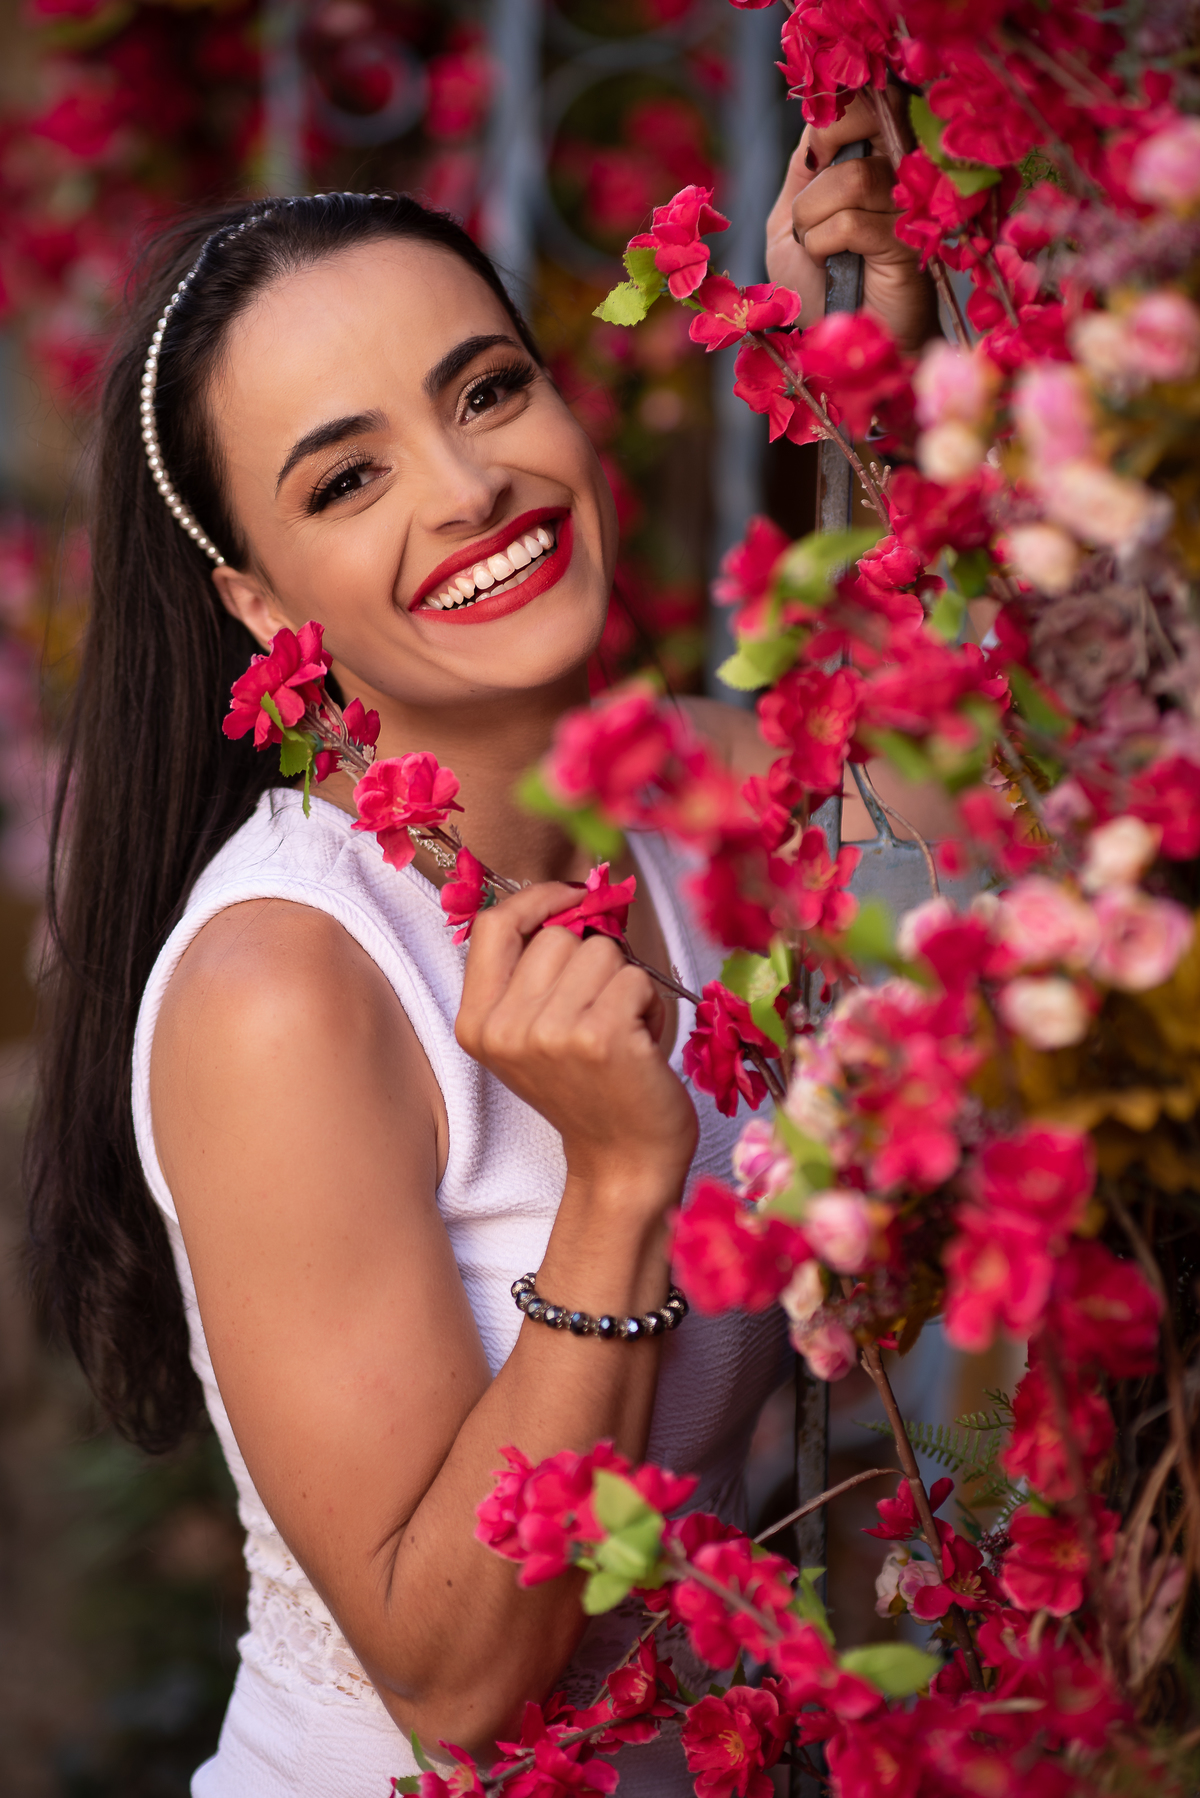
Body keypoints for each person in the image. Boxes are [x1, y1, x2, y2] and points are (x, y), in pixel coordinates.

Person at [27, 99, 940, 1798]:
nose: (469, 488)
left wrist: (868, 386)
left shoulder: (687, 796)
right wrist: (614, 1186)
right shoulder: (285, 986)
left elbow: (985, 791)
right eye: (348, 476)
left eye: (488, 390)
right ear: (262, 607)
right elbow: (451, 1684)